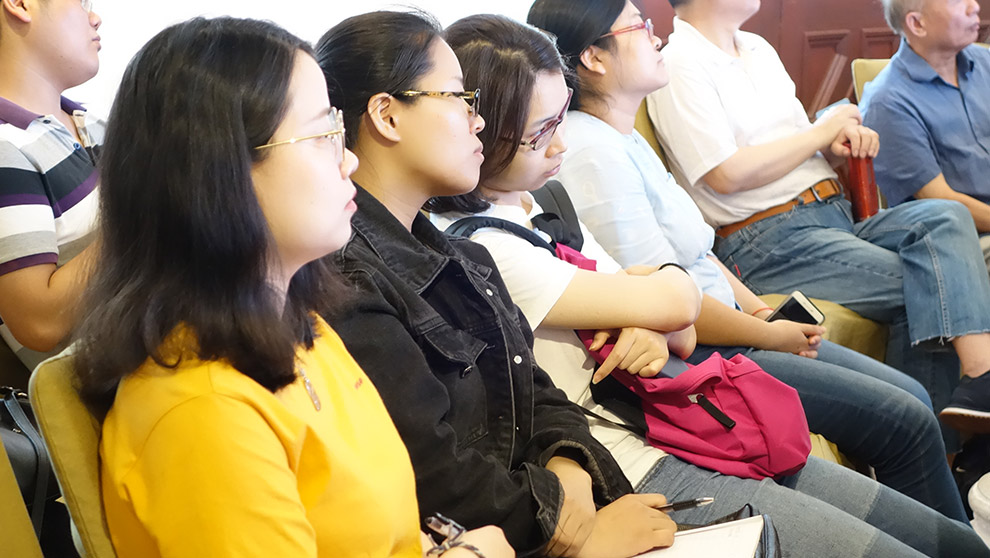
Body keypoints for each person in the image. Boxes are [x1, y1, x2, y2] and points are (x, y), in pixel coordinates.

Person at [428, 12, 990, 557]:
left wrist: (664, 311)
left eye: (559, 120)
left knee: (952, 537)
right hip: (647, 440)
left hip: (677, 404)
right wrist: (670, 308)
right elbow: (675, 299)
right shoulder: (494, 238)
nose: (559, 144)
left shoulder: (542, 197)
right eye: (542, 131)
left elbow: (675, 305)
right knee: (903, 423)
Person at [72, 16, 511, 558]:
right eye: (323, 135)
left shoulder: (301, 326)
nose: (349, 159)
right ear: (223, 170)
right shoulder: (203, 411)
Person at [316, 10, 681, 558]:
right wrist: (564, 527)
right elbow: (436, 477)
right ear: (387, 116)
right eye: (459, 98)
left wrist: (570, 469)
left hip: (558, 507)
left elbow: (537, 393)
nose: (478, 121)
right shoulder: (351, 282)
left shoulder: (461, 256)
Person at [637, 0, 990, 437]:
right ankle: (942, 437)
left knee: (947, 216)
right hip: (766, 236)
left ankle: (975, 389)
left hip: (833, 211)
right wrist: (822, 132)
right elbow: (725, 174)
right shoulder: (680, 62)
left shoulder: (758, 48)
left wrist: (832, 138)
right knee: (936, 282)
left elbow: (793, 141)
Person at [0, 0, 104, 373]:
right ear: (20, 4)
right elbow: (38, 323)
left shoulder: (95, 125)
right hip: (107, 393)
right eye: (81, 3)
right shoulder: (5, 148)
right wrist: (152, 210)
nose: (95, 18)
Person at [860, 0, 990, 269]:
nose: (974, 7)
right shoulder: (888, 101)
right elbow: (941, 199)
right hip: (966, 240)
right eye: (957, 2)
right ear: (917, 23)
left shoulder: (984, 61)